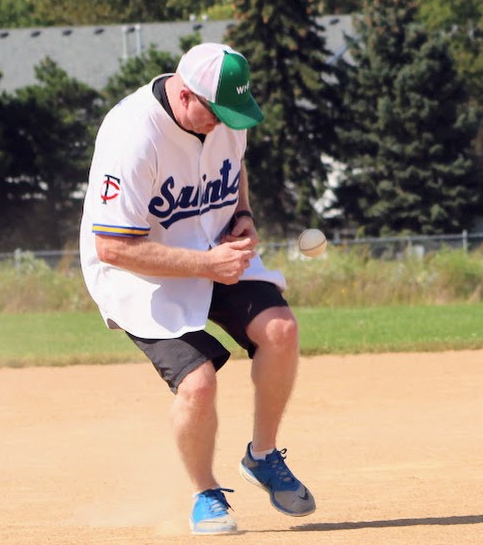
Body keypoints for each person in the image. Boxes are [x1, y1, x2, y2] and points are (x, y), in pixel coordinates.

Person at [79, 42, 315, 535]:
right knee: (199, 383)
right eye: (216, 112)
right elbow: (112, 248)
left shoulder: (221, 118)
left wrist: (243, 215)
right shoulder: (133, 136)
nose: (224, 123)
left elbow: (234, 169)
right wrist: (206, 263)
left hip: (212, 247)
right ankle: (206, 493)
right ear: (185, 95)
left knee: (280, 331)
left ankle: (263, 457)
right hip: (138, 274)